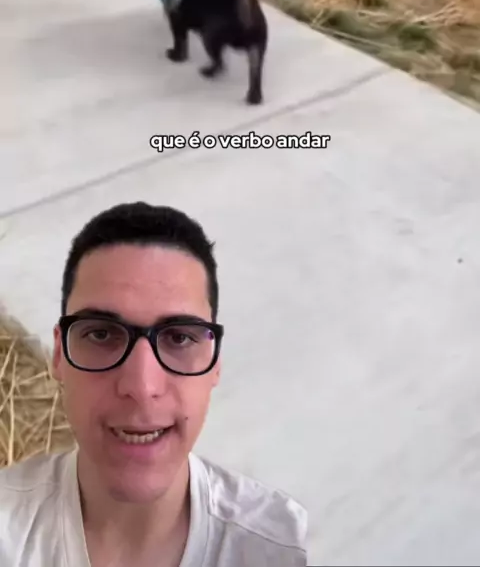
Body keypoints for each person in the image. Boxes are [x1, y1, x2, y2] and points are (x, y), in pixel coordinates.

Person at [0, 201, 308, 566]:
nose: (142, 386)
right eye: (101, 334)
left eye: (178, 338)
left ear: (215, 363)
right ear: (59, 355)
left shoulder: (276, 547)